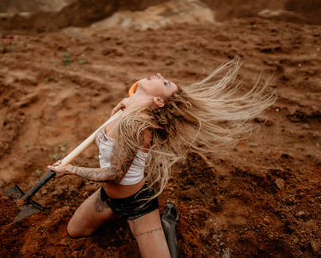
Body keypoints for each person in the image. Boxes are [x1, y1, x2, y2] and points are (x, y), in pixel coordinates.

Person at [48, 57, 276, 257]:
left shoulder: (134, 124)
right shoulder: (128, 111)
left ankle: (166, 222)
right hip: (108, 197)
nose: (159, 75)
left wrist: (69, 170)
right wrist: (126, 105)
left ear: (159, 101)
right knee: (75, 231)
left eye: (165, 82)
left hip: (136, 204)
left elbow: (114, 174)